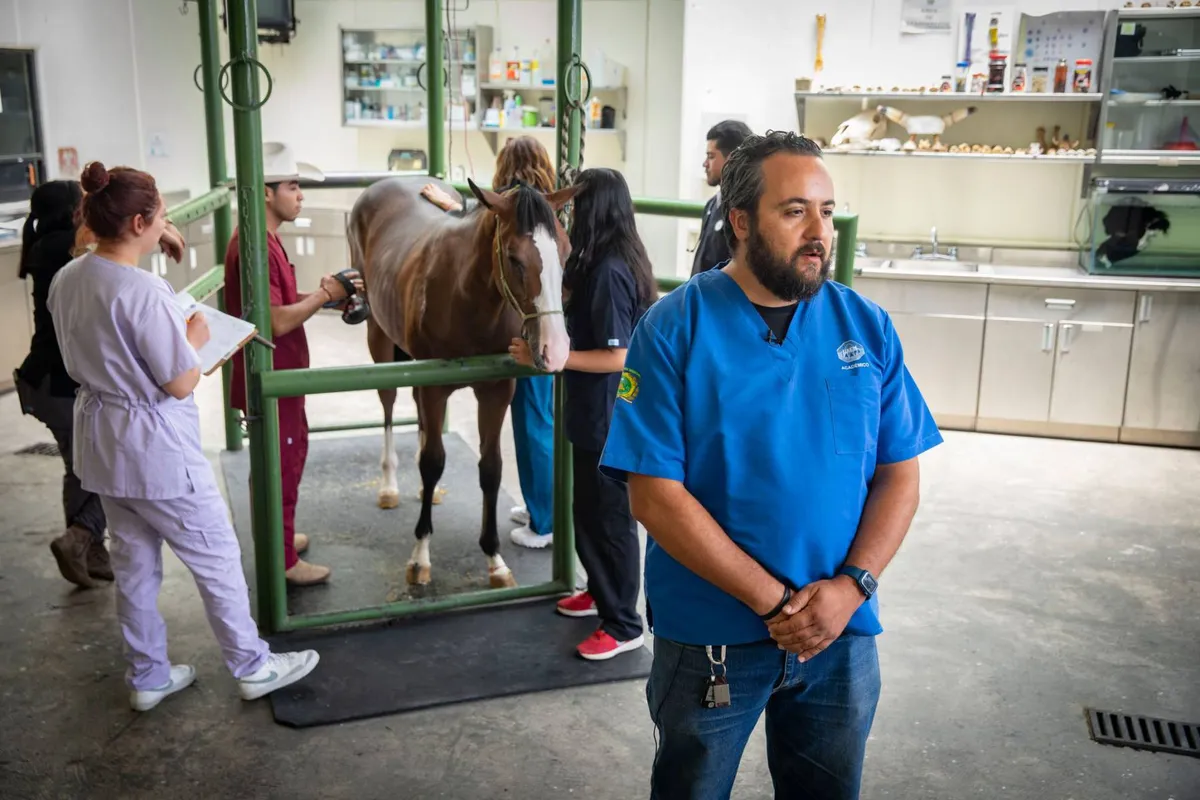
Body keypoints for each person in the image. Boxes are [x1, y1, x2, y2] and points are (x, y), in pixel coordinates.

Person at [599, 131, 943, 798]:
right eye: (794, 211)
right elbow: (653, 495)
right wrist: (780, 606)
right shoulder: (675, 328)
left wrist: (850, 589)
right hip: (713, 641)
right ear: (740, 221)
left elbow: (899, 473)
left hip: (841, 634)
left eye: (825, 209)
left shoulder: (864, 327)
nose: (820, 231)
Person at [46, 161, 319, 711]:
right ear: (141, 220)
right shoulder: (143, 291)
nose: (169, 225)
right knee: (215, 555)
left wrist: (152, 237)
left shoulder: (69, 275)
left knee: (134, 562)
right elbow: (180, 381)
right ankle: (253, 664)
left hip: (99, 441)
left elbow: (102, 269)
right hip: (153, 445)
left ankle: (148, 675)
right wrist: (194, 336)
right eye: (164, 217)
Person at [510, 168, 655, 661]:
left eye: (573, 206)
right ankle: (600, 592)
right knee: (587, 513)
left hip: (611, 418)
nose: (565, 214)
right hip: (592, 413)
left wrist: (551, 359)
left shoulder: (613, 272)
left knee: (610, 519)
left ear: (593, 209)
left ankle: (623, 623)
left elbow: (620, 356)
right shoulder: (596, 262)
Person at [13, 179, 184, 589]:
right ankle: (80, 539)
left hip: (46, 382)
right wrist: (158, 229)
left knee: (81, 471)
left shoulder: (48, 248)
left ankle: (91, 550)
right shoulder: (63, 253)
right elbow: (103, 239)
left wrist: (159, 225)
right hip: (57, 385)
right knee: (101, 472)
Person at [223, 142, 361, 586]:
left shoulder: (263, 240)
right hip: (273, 374)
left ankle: (277, 540)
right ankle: (280, 561)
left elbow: (278, 305)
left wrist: (326, 298)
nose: (300, 195)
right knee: (279, 465)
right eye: (293, 186)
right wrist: (324, 295)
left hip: (280, 372)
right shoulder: (256, 248)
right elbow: (277, 321)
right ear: (265, 192)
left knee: (284, 459)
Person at [419, 136, 556, 549]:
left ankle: (545, 519)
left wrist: (449, 206)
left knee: (535, 421)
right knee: (533, 418)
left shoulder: (520, 210)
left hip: (536, 329)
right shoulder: (543, 207)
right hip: (538, 325)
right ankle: (537, 506)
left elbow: (487, 218)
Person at [690, 119, 753, 277]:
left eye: (711, 156)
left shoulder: (748, 210)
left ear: (732, 158)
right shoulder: (712, 204)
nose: (705, 164)